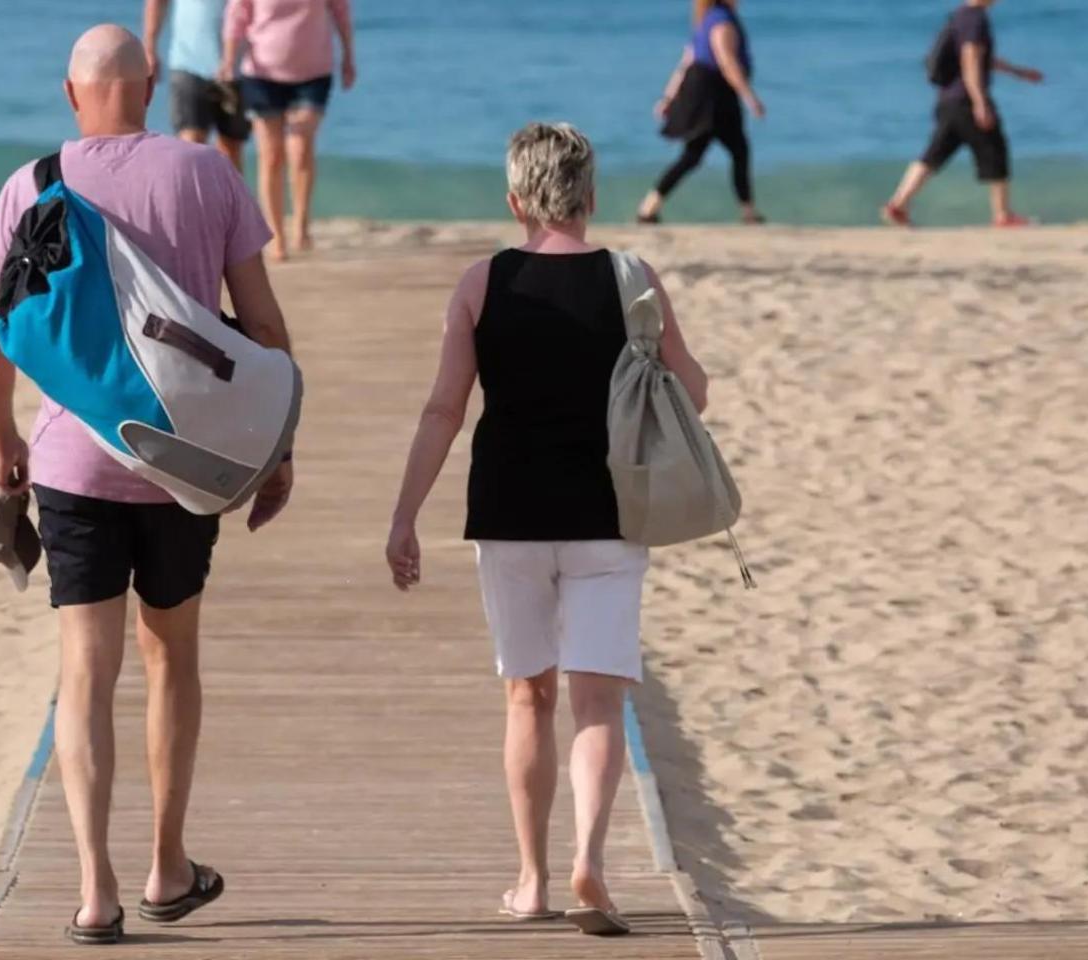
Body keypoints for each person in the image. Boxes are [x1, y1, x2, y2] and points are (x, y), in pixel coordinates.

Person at [0, 24, 296, 946]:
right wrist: (276, 453)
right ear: (150, 87)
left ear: (72, 94)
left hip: (73, 465)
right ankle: (167, 865)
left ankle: (94, 892)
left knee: (84, 671)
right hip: (185, 462)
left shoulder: (32, 184)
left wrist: (4, 444)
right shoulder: (207, 174)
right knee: (171, 657)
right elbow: (265, 329)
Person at [385, 123, 709, 936]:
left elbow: (444, 409)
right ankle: (590, 864)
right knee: (599, 701)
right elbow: (694, 391)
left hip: (511, 513)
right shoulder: (633, 278)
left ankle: (531, 883)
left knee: (527, 695)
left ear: (515, 202)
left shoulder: (482, 282)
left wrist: (405, 514)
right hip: (608, 514)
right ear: (590, 196)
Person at [883, 0, 1044, 227]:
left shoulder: (960, 16)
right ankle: (1003, 215)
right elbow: (971, 59)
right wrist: (980, 101)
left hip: (948, 99)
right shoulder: (975, 18)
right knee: (995, 148)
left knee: (935, 153)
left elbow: (982, 58)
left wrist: (1018, 72)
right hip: (965, 100)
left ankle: (898, 204)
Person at [220, 0, 356, 261]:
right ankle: (277, 236)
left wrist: (348, 56)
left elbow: (340, 11)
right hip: (261, 74)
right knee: (271, 156)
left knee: (300, 149)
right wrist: (228, 60)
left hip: (314, 73)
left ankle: (301, 224)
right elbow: (236, 16)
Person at [637, 0, 765, 225]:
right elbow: (727, 62)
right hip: (714, 95)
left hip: (703, 92)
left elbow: (686, 62)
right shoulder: (721, 21)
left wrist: (668, 97)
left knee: (704, 153)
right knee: (721, 152)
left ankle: (649, 207)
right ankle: (748, 212)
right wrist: (750, 97)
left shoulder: (706, 19)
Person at [142, 0, 250, 170]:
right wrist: (150, 47)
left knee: (230, 150)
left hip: (237, 67)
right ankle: (189, 188)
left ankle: (227, 189)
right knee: (190, 144)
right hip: (188, 62)